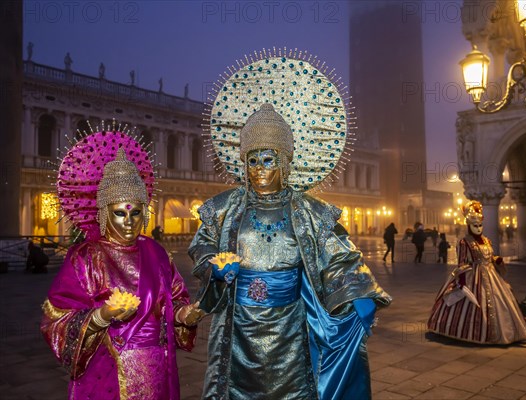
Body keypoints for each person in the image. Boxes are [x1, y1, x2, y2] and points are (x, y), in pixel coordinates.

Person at [189, 103, 392, 399]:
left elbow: (339, 256)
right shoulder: (225, 208)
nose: (259, 169)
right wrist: (213, 265)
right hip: (237, 326)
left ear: (284, 162)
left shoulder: (309, 212)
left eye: (268, 160)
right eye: (253, 161)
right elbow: (203, 242)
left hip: (290, 328)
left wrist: (356, 291)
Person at [41, 130, 204, 399]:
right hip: (107, 368)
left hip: (157, 368)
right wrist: (101, 316)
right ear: (105, 212)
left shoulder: (157, 253)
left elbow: (174, 300)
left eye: (136, 212)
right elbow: (56, 319)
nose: (128, 221)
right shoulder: (86, 256)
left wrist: (185, 316)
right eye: (119, 213)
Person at [427, 201, 526, 344]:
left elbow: (489, 257)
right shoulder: (464, 242)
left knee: (502, 302)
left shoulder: (487, 240)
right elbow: (462, 263)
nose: (478, 228)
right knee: (472, 305)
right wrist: (462, 282)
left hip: (491, 275)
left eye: (480, 225)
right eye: (475, 226)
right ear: (469, 226)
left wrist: (496, 260)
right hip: (473, 276)